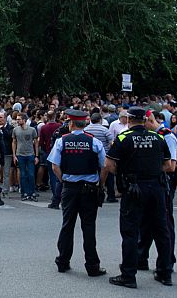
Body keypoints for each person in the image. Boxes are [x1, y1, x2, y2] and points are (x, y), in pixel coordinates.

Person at [106, 106, 173, 288]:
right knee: (161, 230)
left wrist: (126, 174)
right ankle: (165, 272)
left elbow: (109, 165)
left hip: (134, 188)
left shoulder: (122, 138)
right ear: (144, 120)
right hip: (156, 188)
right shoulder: (158, 137)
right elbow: (168, 165)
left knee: (130, 231)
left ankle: (128, 275)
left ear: (128, 120)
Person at [47, 109, 107, 277]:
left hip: (70, 188)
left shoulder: (62, 141)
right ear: (85, 123)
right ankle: (92, 266)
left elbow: (54, 166)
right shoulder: (94, 142)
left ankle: (63, 261)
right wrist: (100, 184)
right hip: (89, 187)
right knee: (88, 227)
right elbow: (104, 166)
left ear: (70, 123)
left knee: (67, 225)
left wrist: (63, 180)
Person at [138, 111, 177, 271]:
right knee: (145, 222)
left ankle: (167, 261)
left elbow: (171, 166)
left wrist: (148, 169)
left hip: (164, 182)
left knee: (164, 224)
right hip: (152, 183)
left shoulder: (166, 136)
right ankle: (141, 257)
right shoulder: (151, 135)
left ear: (150, 121)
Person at [85, 113, 115, 202]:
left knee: (92, 176)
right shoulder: (105, 130)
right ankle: (110, 196)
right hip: (105, 156)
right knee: (109, 177)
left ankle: (92, 194)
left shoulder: (86, 129)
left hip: (90, 157)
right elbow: (112, 143)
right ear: (100, 120)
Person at [13, 113, 39, 201]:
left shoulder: (32, 130)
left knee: (31, 175)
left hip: (30, 154)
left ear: (24, 120)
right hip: (20, 155)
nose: (17, 121)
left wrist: (36, 155)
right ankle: (24, 193)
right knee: (23, 175)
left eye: (19, 119)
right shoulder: (15, 130)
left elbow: (36, 142)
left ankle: (32, 192)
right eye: (17, 119)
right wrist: (14, 155)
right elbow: (14, 142)